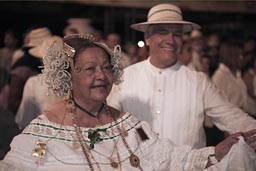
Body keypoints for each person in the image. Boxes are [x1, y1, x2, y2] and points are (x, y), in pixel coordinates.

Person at [1, 34, 255, 171]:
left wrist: (214, 153)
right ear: (68, 77)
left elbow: (167, 157)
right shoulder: (44, 135)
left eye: (106, 67)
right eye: (90, 69)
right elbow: (24, 165)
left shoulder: (129, 126)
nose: (101, 76)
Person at [107, 3, 256, 149]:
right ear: (147, 37)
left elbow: (233, 117)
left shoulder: (198, 82)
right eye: (163, 32)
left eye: (177, 34)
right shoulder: (125, 78)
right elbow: (105, 122)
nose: (170, 40)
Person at [15, 36, 63, 130]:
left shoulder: (33, 83)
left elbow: (24, 121)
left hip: (42, 138)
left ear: (42, 59)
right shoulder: (75, 82)